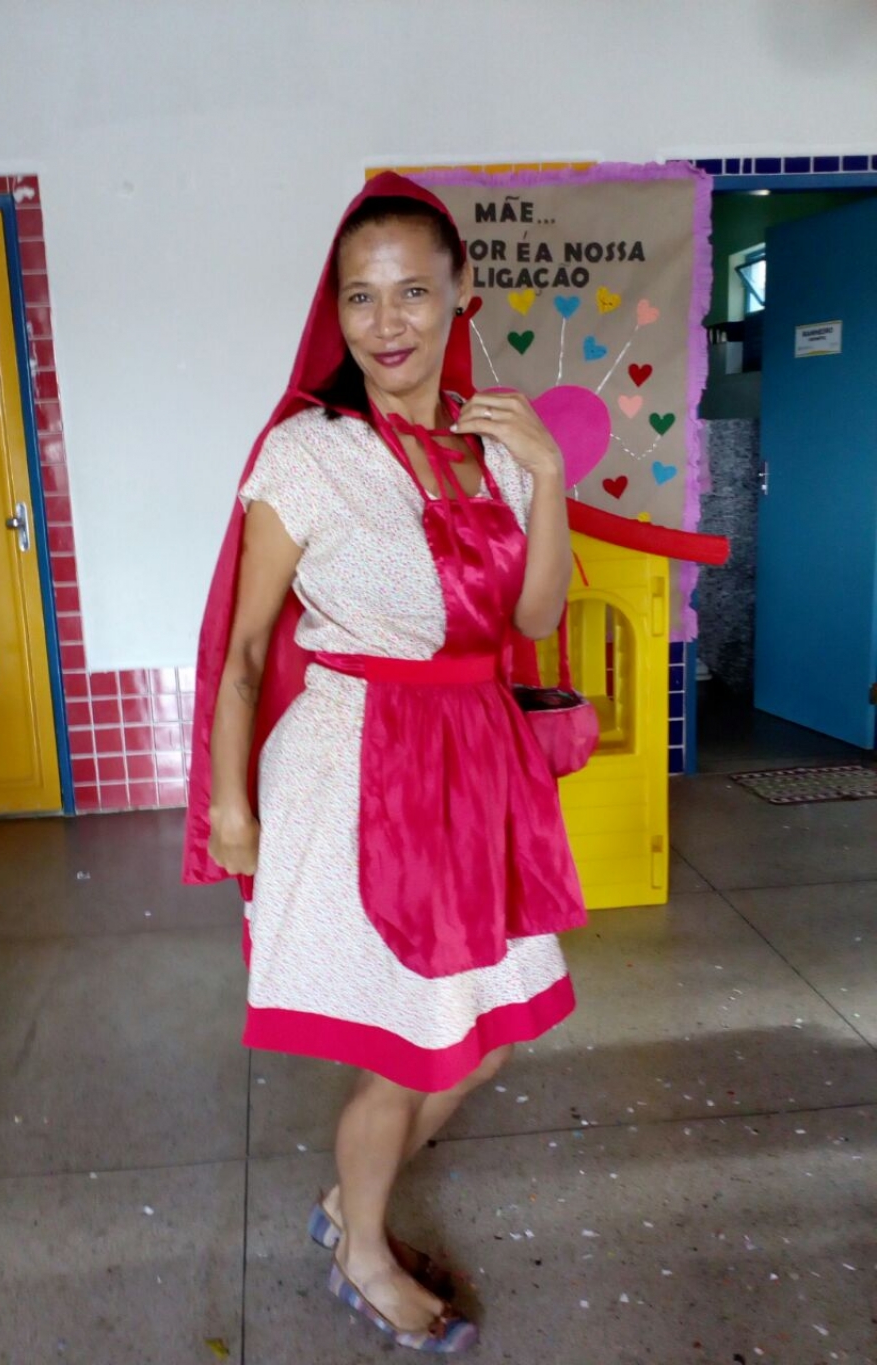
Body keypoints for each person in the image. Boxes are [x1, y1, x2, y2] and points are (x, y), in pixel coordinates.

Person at [183, 171, 587, 1353]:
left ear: (461, 293)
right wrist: (229, 806)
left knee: (490, 1032)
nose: (386, 321)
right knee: (408, 1043)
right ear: (338, 311)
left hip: (477, 762)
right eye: (359, 296)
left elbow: (533, 613)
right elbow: (245, 646)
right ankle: (362, 1252)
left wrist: (548, 477)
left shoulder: (495, 444)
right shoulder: (306, 455)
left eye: (413, 290)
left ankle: (342, 1200)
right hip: (360, 772)